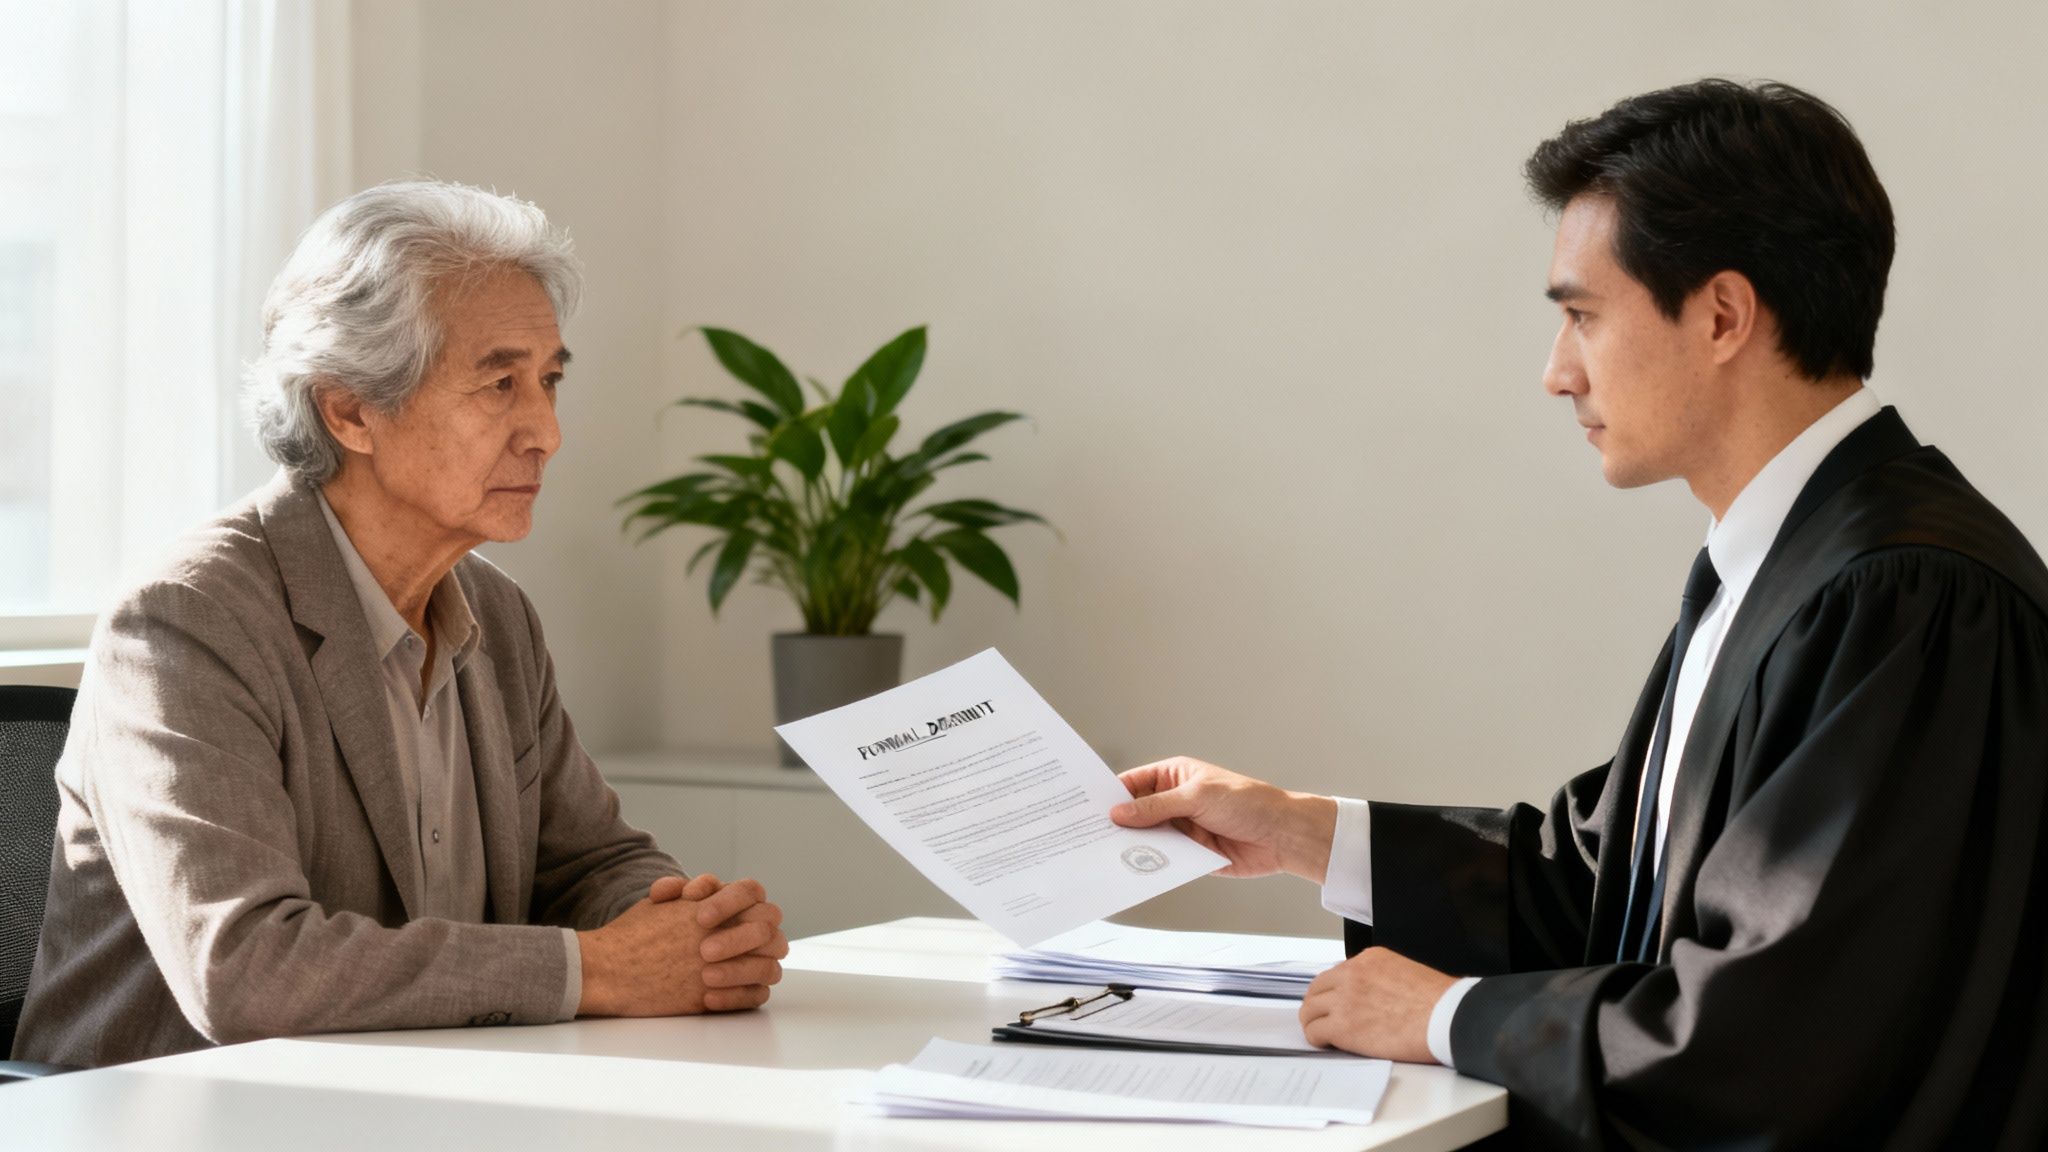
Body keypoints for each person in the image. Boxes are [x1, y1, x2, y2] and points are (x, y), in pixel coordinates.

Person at [1112, 80, 2048, 1148]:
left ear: (1721, 316)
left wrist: (1447, 1017)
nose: (1555, 374)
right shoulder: (1795, 558)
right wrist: (1299, 830)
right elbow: (1621, 884)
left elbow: (1777, 1031)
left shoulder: (1901, 596)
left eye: (1579, 316)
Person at [13, 181, 788, 1068]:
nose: (546, 432)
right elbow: (246, 968)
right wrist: (598, 970)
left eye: (549, 381)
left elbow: (585, 863)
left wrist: (687, 927)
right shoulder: (186, 621)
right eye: (500, 383)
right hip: (177, 1116)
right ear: (349, 410)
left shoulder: (497, 614)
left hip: (416, 1100)